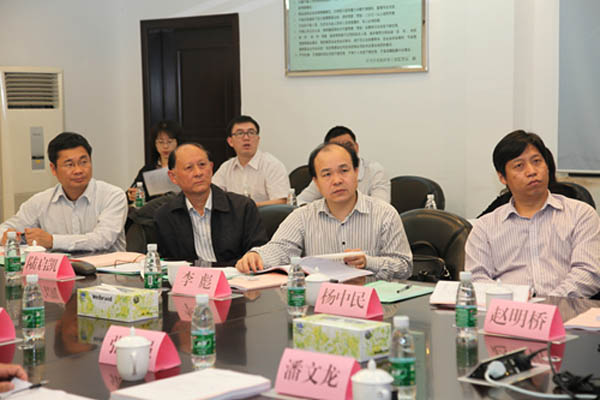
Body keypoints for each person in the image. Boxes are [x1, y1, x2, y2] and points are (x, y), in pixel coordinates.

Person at [235, 143, 412, 280]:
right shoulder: (302, 216)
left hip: (372, 304)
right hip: (320, 304)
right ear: (316, 182)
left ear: (356, 172)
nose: (337, 180)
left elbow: (405, 267)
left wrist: (368, 262)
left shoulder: (385, 214)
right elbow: (280, 248)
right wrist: (257, 256)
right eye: (327, 174)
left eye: (344, 171)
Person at [465, 130, 600, 297]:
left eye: (537, 161)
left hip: (566, 308)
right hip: (507, 309)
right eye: (519, 166)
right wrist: (515, 303)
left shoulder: (581, 215)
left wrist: (546, 305)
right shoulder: (484, 227)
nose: (531, 171)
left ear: (547, 166)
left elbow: (588, 273)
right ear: (502, 177)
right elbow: (476, 279)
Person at [0, 132, 127, 252]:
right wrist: (6, 236)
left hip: (109, 267)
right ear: (53, 169)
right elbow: (4, 229)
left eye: (84, 162)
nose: (78, 170)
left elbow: (102, 239)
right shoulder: (40, 201)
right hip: (60, 268)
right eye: (69, 165)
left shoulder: (113, 196)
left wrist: (52, 241)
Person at [154, 143, 268, 264]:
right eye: (189, 168)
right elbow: (164, 262)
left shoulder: (242, 208)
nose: (198, 173)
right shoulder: (165, 216)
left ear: (211, 168)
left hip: (235, 274)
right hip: (189, 275)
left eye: (202, 165)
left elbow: (260, 252)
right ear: (173, 177)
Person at [297, 126, 390, 205]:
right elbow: (300, 201)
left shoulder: (375, 170)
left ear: (357, 147)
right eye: (338, 147)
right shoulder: (325, 173)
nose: (345, 151)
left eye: (348, 145)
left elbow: (381, 207)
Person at [212, 115, 290, 207]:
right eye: (240, 133)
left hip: (264, 215)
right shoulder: (226, 168)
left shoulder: (272, 165)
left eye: (251, 133)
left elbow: (281, 202)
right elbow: (212, 196)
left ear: (258, 139)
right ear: (230, 141)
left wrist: (248, 208)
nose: (246, 138)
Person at [127, 120, 181, 203]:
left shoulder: (185, 167)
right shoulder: (148, 169)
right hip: (154, 209)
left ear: (177, 143)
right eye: (160, 142)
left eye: (169, 142)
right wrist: (131, 195)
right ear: (155, 144)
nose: (165, 146)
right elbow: (131, 192)